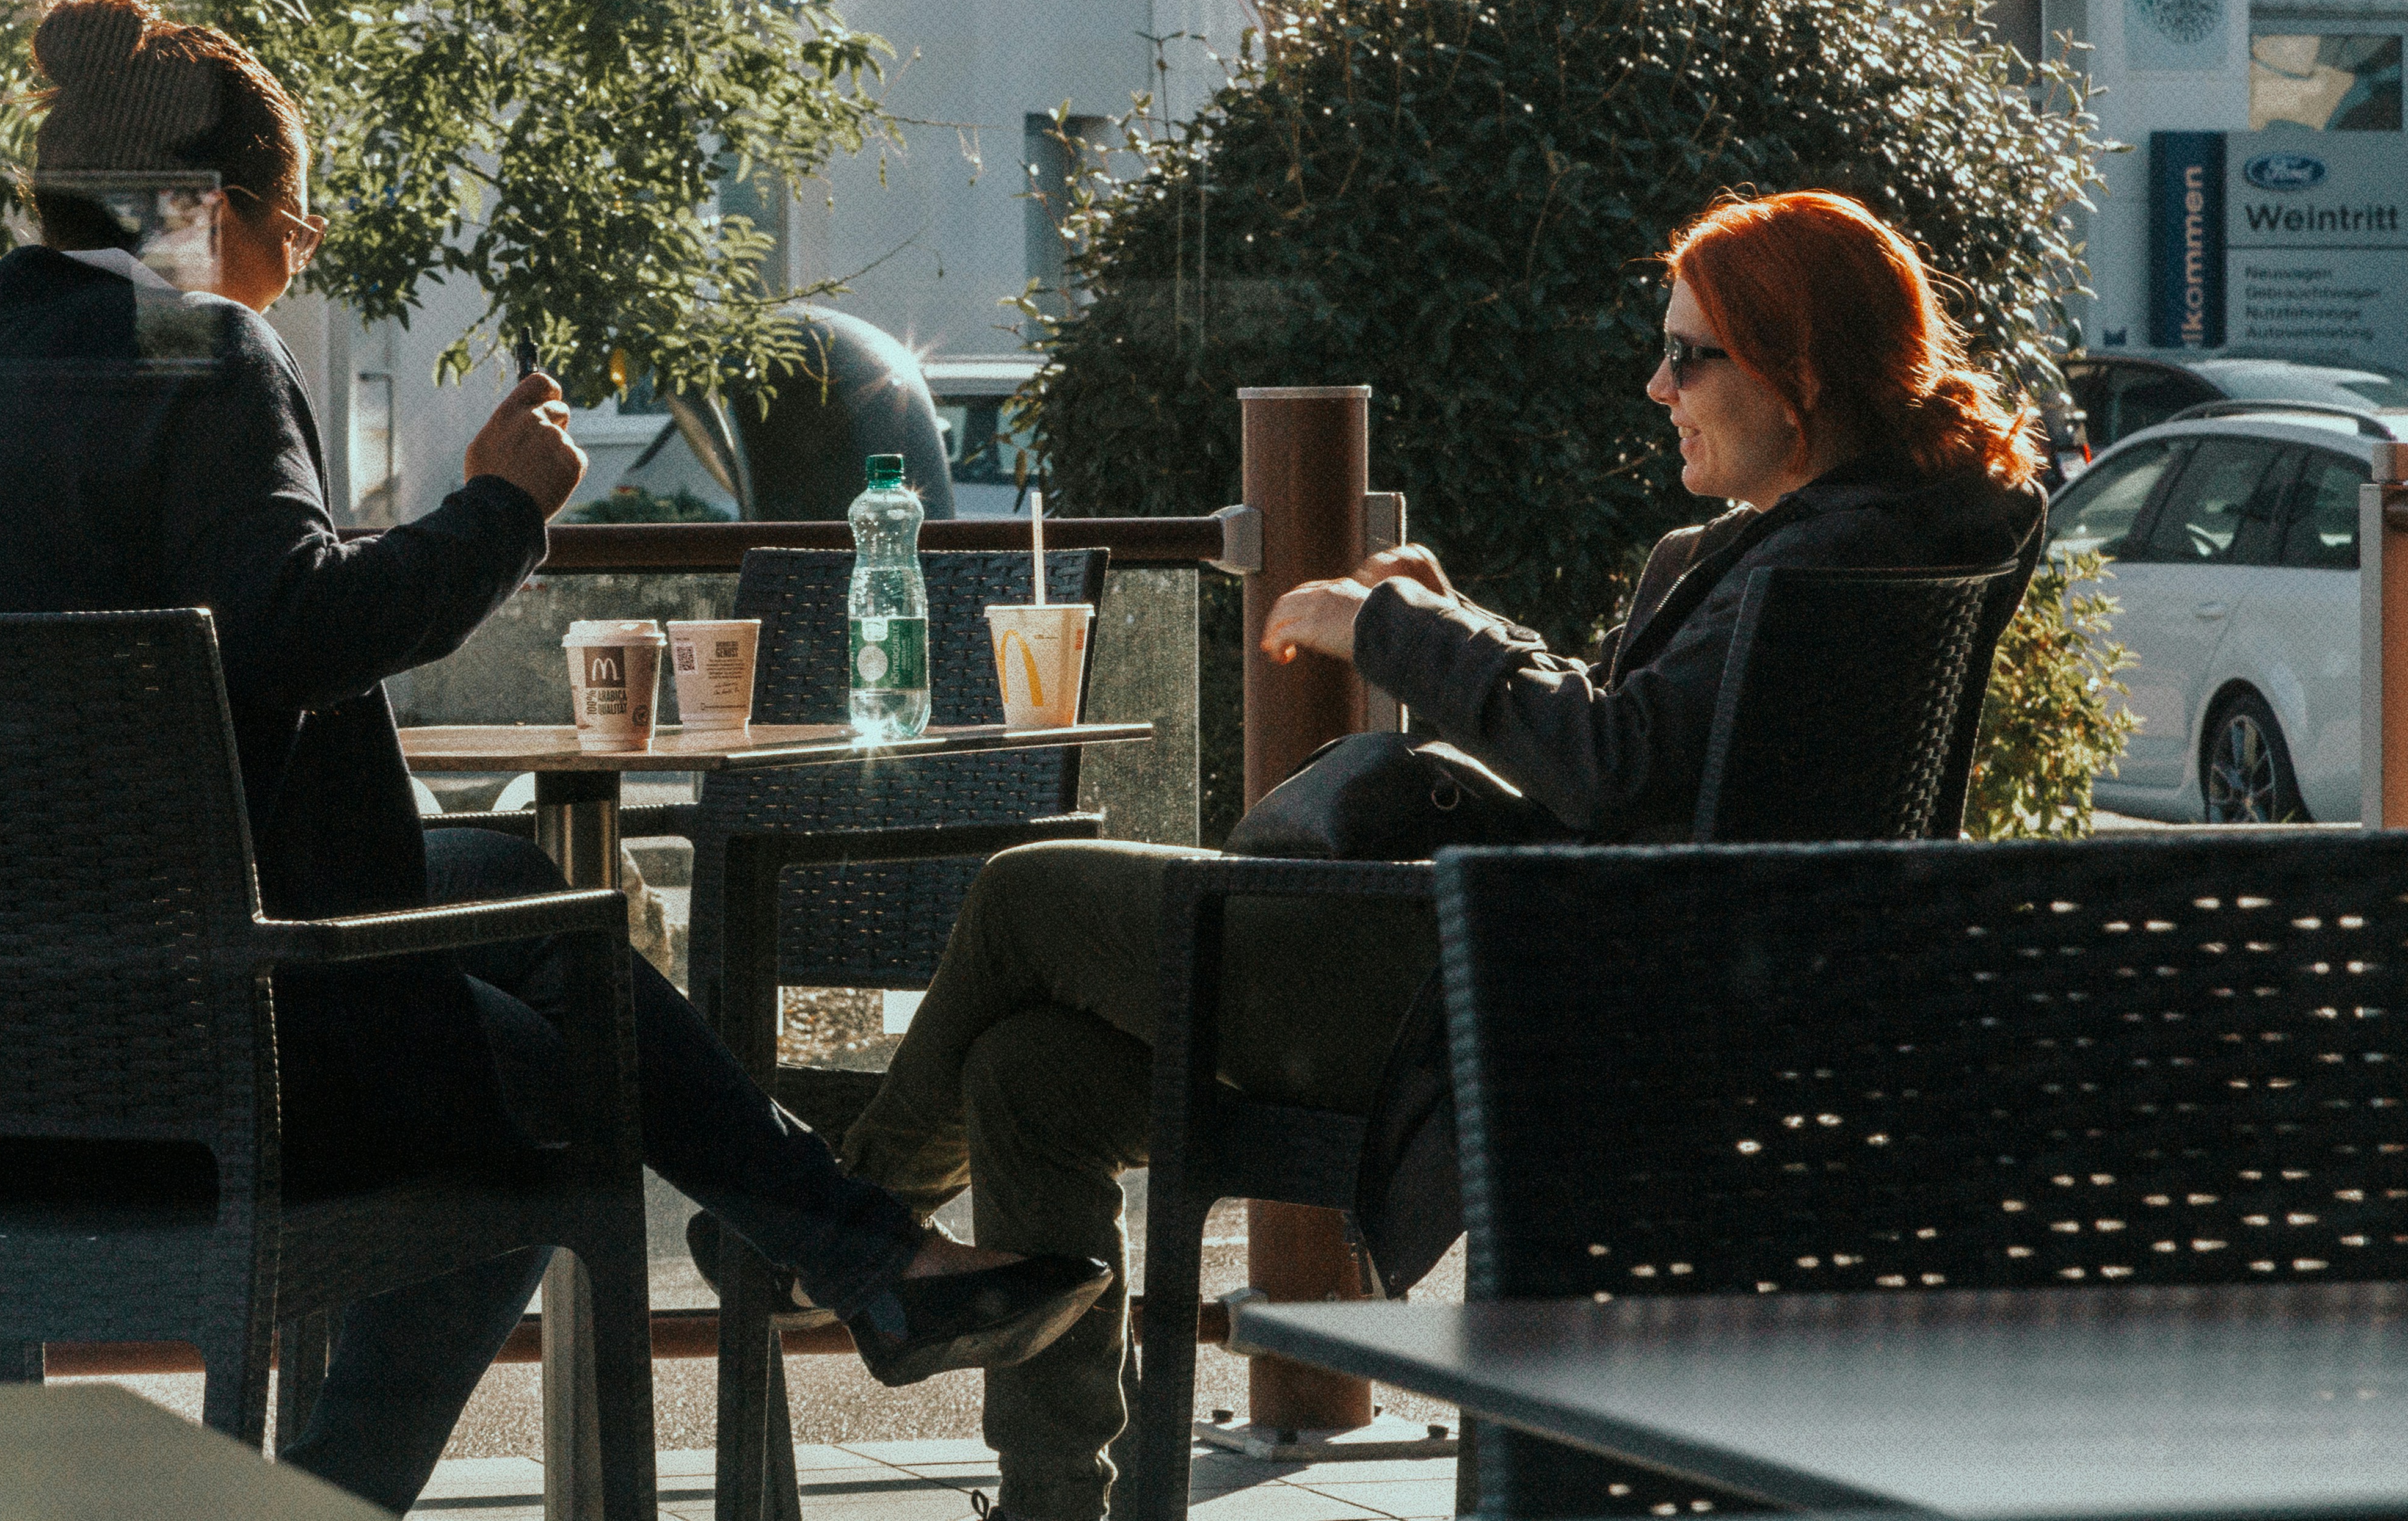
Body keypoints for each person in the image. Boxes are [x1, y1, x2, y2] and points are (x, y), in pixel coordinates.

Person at [0, 0, 1106, 1512]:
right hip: (196, 1062)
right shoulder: (202, 352)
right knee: (566, 1098)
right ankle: (345, 1498)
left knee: (552, 911)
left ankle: (873, 1260)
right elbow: (294, 627)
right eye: (300, 220)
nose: (302, 258)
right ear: (209, 212)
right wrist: (504, 507)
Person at [828, 189, 2050, 1521]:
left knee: (1024, 895)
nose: (1657, 385)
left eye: (1688, 354)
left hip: (1517, 998)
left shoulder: (1807, 560)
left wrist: (1389, 630)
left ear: (1798, 372)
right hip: (1617, 990)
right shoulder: (1870, 546)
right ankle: (1052, 1502)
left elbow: (1616, 761)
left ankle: (842, 1243)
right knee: (1033, 1080)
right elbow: (1650, 757)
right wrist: (1453, 620)